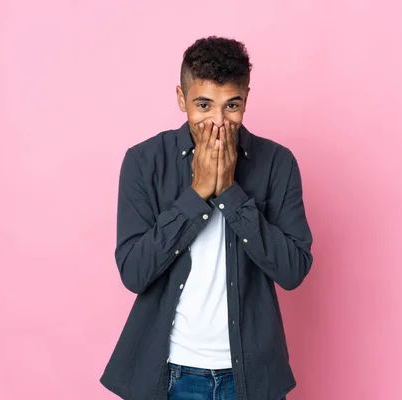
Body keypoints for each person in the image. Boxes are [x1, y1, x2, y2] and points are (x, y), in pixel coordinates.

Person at [100, 36, 313, 400]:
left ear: (246, 99)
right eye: (203, 105)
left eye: (232, 105)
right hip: (170, 375)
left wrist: (231, 193)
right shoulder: (144, 162)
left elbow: (293, 270)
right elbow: (134, 273)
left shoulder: (277, 163)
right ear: (182, 100)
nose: (218, 121)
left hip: (252, 375)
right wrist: (197, 193)